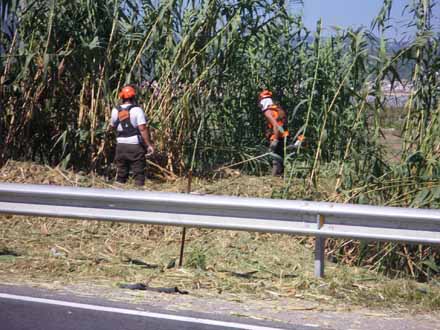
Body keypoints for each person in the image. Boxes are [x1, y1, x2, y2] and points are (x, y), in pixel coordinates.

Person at [111, 85, 154, 186]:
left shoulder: (115, 110)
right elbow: (142, 129)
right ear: (134, 97)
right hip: (135, 146)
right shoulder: (137, 110)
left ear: (122, 98)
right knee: (138, 172)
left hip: (120, 145)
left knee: (121, 173)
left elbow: (112, 126)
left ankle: (118, 192)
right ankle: (138, 191)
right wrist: (148, 145)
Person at [258, 90, 289, 176]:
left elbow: (275, 125)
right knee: (280, 156)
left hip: (277, 136)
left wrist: (275, 140)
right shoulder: (277, 109)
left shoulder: (268, 111)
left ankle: (274, 176)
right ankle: (280, 175)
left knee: (275, 157)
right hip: (284, 135)